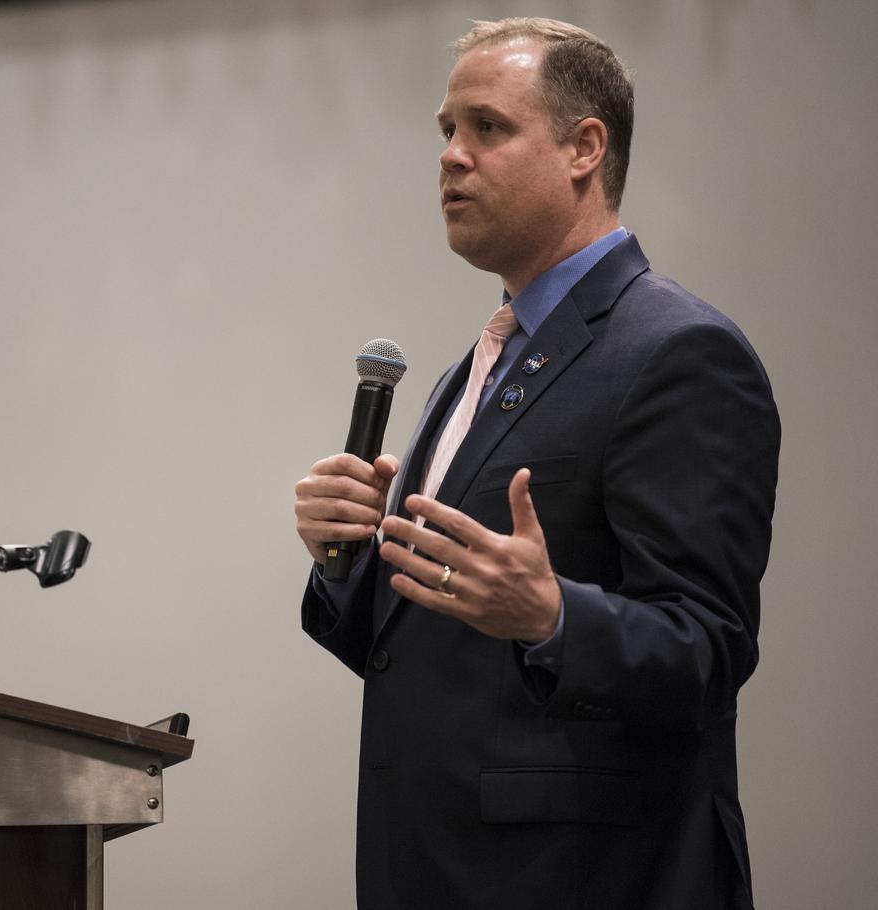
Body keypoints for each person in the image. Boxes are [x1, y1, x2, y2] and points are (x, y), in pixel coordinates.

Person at [293, 17, 779, 909]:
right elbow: (417, 650)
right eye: (446, 130)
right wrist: (344, 557)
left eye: (487, 127)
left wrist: (553, 616)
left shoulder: (679, 350)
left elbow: (709, 650)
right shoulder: (475, 366)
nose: (450, 155)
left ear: (585, 147)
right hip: (432, 867)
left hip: (583, 880)